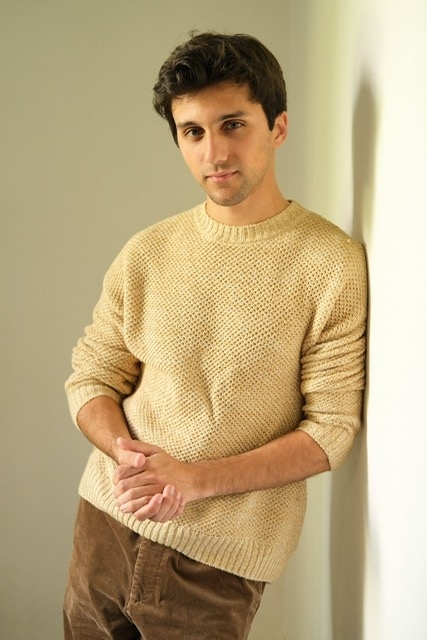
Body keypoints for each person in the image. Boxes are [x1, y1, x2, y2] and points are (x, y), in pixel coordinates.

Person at [63, 31, 368, 640]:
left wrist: (193, 478)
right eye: (193, 132)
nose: (214, 152)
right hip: (104, 526)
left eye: (233, 125)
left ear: (278, 127)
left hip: (217, 564)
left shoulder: (331, 263)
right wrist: (131, 460)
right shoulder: (147, 251)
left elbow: (330, 430)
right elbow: (92, 377)